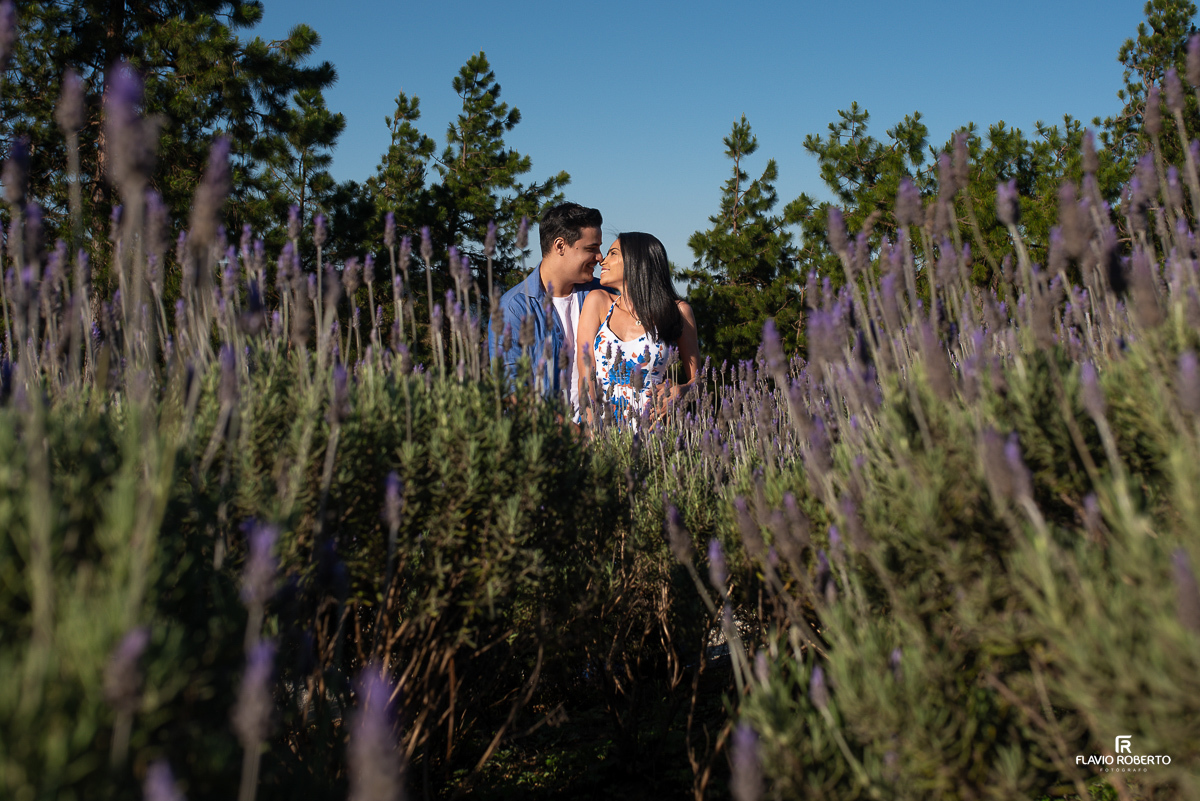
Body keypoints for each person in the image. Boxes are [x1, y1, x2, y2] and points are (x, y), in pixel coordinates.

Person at [487, 202, 605, 408]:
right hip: (547, 437)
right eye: (591, 249)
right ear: (560, 246)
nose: (600, 257)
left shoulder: (604, 295)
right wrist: (568, 430)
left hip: (605, 433)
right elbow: (510, 388)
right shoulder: (514, 308)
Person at [577, 232, 699, 426]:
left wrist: (682, 391)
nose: (603, 261)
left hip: (653, 434)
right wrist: (592, 430)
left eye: (613, 254)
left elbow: (698, 380)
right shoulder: (598, 302)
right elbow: (586, 375)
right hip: (602, 430)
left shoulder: (678, 311)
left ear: (637, 262)